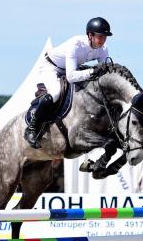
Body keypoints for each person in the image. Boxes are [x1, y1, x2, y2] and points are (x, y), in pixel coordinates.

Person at [24, 17, 112, 149]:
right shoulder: (75, 45)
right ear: (90, 35)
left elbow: (105, 71)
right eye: (100, 36)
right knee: (55, 94)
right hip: (51, 68)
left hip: (71, 69)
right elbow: (71, 76)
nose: (103, 40)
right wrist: (92, 72)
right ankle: (32, 128)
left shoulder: (103, 49)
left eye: (105, 37)